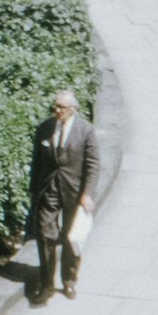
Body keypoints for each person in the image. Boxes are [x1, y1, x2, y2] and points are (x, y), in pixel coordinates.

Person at [29, 88, 100, 303]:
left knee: (71, 239)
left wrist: (87, 194)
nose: (56, 110)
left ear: (73, 109)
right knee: (45, 234)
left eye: (61, 107)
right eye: (55, 106)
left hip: (74, 192)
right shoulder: (44, 128)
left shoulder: (85, 130)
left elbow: (93, 165)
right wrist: (33, 190)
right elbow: (37, 162)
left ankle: (68, 281)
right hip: (48, 189)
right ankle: (47, 284)